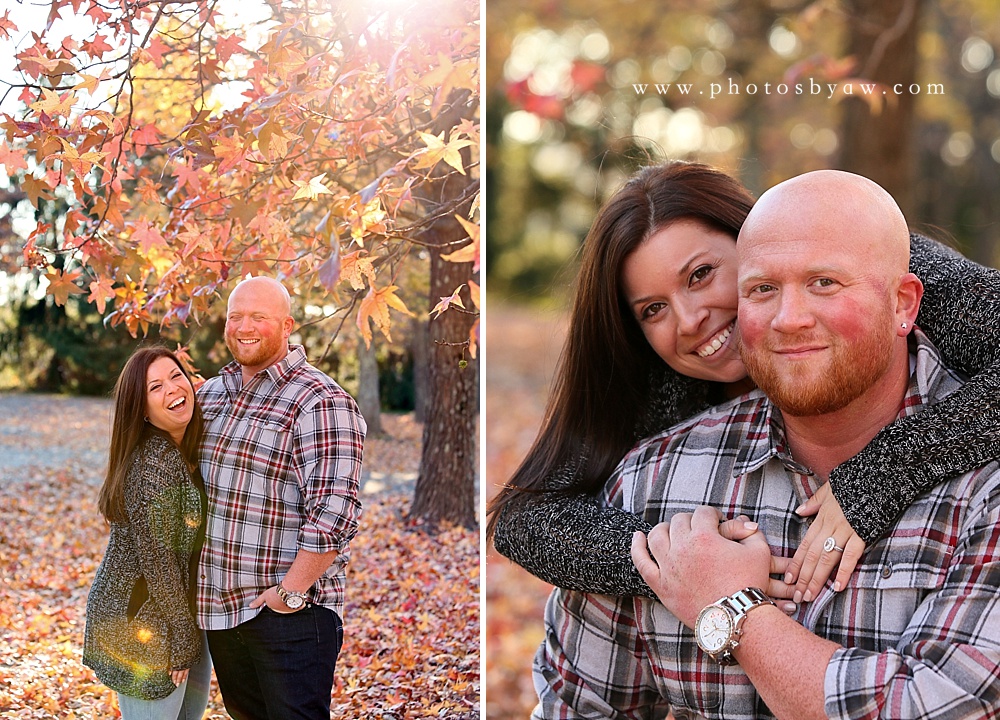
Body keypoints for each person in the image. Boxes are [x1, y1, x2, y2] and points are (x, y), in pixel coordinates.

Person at [534, 170, 1000, 719]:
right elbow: (525, 519)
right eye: (652, 309)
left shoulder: (982, 484)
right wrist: (666, 560)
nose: (688, 320)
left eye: (702, 275)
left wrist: (732, 610)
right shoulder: (653, 476)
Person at [196, 276, 366, 720]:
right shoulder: (211, 396)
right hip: (221, 612)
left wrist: (288, 594)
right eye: (236, 316)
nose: (244, 325)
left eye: (259, 317)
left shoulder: (321, 400)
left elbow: (335, 513)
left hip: (290, 614)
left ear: (288, 325)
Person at [83, 346, 212, 719]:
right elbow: (158, 561)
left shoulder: (180, 449)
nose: (173, 389)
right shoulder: (154, 462)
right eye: (155, 387)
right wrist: (184, 640)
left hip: (176, 614)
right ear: (141, 408)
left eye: (176, 377)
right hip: (140, 622)